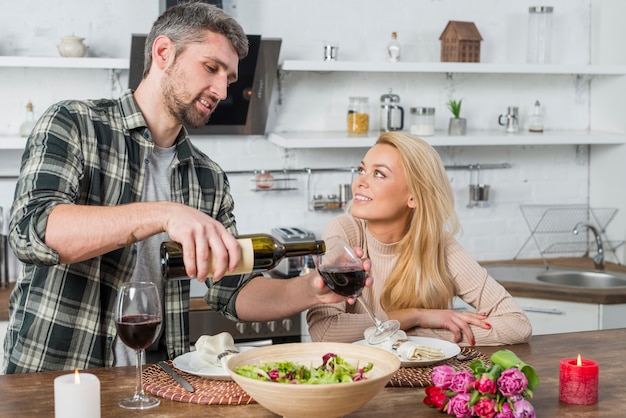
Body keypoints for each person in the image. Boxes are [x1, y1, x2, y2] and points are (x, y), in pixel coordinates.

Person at [3, 2, 357, 374]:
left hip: (158, 383)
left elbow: (231, 288)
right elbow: (33, 231)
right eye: (211, 68)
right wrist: (165, 213)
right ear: (163, 53)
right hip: (54, 382)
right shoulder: (75, 124)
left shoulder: (208, 178)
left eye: (229, 79)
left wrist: (310, 289)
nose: (221, 90)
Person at [307, 132, 532, 346]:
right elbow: (326, 331)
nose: (359, 183)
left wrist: (405, 334)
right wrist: (417, 317)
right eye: (362, 170)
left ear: (413, 196)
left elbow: (516, 324)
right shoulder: (345, 233)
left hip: (423, 381)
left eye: (379, 174)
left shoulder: (439, 246)